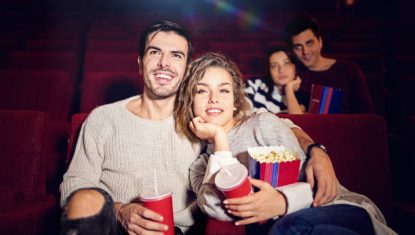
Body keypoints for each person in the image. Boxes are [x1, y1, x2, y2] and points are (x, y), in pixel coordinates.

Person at [60, 21, 338, 235]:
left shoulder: (201, 120)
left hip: (177, 230)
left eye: (176, 55)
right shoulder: (103, 119)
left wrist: (315, 150)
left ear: (186, 69)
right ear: (140, 62)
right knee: (83, 200)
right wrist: (120, 212)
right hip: (113, 226)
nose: (164, 63)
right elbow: (74, 186)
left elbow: (264, 119)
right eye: (154, 52)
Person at [175, 52, 395, 235]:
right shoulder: (201, 166)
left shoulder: (262, 123)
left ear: (235, 101)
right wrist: (220, 140)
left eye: (223, 90)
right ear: (191, 101)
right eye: (202, 90)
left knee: (287, 227)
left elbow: (319, 185)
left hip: (336, 210)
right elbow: (216, 208)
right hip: (290, 228)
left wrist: (282, 201)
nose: (214, 98)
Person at [285, 15, 375, 114]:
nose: (305, 51)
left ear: (320, 42)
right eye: (298, 47)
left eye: (309, 43)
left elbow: (366, 114)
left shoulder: (348, 69)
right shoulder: (294, 76)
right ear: (293, 50)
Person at [244, 47, 308, 114]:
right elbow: (242, 108)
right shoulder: (255, 84)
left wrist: (289, 89)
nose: (281, 70)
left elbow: (299, 121)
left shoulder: (304, 98)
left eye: (286, 63)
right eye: (274, 66)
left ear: (295, 67)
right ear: (269, 71)